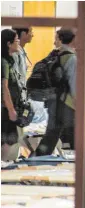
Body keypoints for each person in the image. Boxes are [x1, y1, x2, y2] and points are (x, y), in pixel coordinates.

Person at [34, 29, 77, 156]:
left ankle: (38, 158)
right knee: (73, 134)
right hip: (67, 104)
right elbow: (74, 85)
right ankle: (77, 161)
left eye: (56, 38)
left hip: (53, 101)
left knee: (52, 133)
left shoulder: (53, 56)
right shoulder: (72, 59)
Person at [1, 29, 21, 160]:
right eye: (16, 40)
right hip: (5, 109)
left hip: (9, 107)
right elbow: (4, 88)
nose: (18, 42)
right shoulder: (3, 63)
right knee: (9, 140)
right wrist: (11, 110)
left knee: (11, 139)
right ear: (9, 43)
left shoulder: (11, 60)